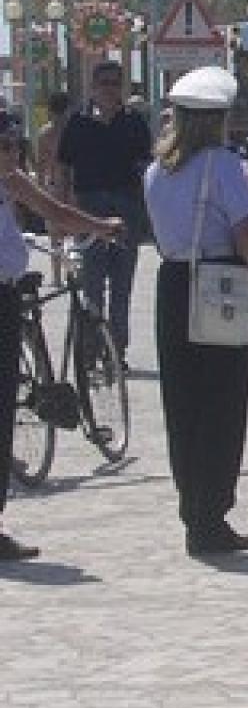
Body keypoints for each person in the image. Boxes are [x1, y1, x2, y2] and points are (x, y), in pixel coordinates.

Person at [144, 67, 248, 556]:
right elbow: (246, 234)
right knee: (223, 400)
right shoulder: (221, 165)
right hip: (220, 281)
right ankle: (212, 513)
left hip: (173, 280)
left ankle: (192, 508)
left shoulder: (158, 169)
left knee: (183, 403)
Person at [0, 111, 124, 561]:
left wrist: (98, 225)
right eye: (6, 147)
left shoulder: (11, 181)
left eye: (14, 146)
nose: (13, 154)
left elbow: (55, 211)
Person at [56, 60, 153, 368]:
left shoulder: (134, 122)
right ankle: (89, 353)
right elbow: (63, 168)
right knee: (92, 285)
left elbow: (146, 166)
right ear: (93, 87)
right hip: (89, 206)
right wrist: (60, 211)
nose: (110, 89)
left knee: (122, 287)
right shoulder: (78, 122)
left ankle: (117, 355)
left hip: (126, 208)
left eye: (115, 83)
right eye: (104, 83)